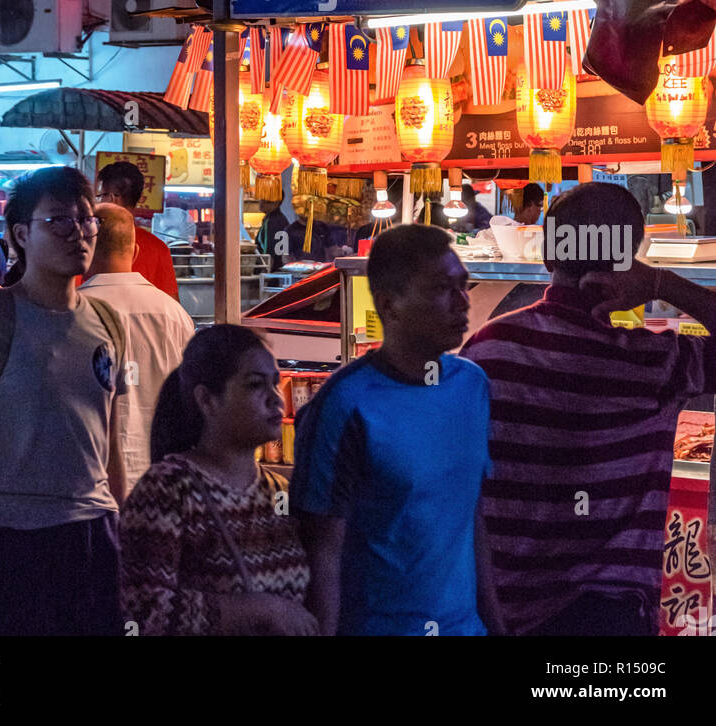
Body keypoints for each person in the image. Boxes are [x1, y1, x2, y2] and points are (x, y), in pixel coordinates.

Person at [462, 182, 716, 637]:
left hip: (500, 606)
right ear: (628, 261)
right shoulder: (651, 361)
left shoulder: (486, 349)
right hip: (606, 614)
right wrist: (662, 283)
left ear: (548, 256)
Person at [0, 166, 129, 637]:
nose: (78, 232)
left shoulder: (109, 324)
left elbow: (111, 443)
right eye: (58, 220)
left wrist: (125, 536)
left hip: (95, 535)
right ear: (21, 233)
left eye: (86, 219)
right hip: (7, 542)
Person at [290, 224, 503, 636]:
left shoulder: (472, 387)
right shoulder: (346, 402)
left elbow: (469, 515)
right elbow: (323, 549)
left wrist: (493, 622)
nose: (463, 303)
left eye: (464, 285)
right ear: (390, 305)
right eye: (442, 289)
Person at [120, 324, 316, 636]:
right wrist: (260, 609)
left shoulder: (277, 490)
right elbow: (143, 613)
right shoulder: (167, 489)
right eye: (255, 385)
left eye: (275, 384)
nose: (275, 399)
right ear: (207, 400)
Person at [80, 203, 194, 496]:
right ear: (135, 252)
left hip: (91, 481)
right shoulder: (173, 314)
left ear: (85, 248)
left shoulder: (74, 313)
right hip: (161, 478)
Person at [96, 161, 179, 300]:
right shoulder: (158, 247)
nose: (97, 202)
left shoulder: (91, 242)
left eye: (99, 196)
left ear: (111, 198)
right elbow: (172, 303)